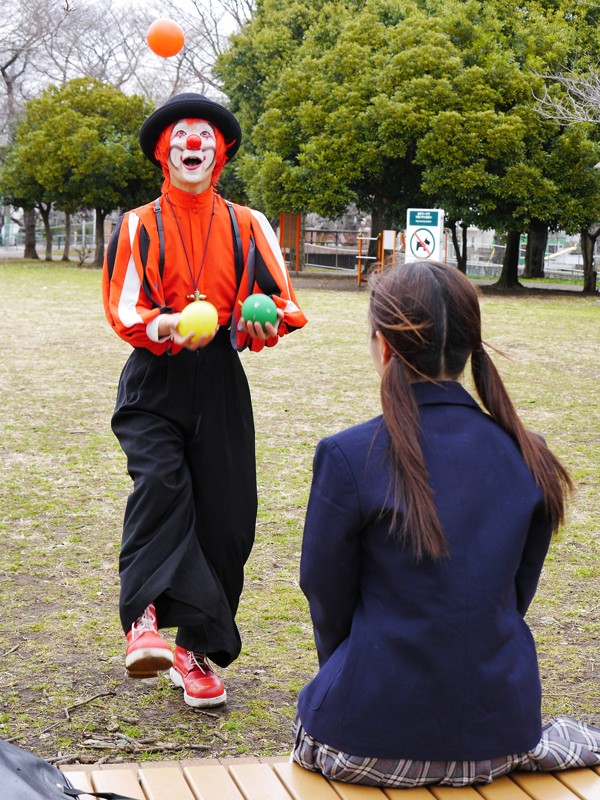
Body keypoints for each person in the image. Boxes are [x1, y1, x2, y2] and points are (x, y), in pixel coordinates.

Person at [292, 260, 599, 786]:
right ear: (468, 346)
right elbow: (511, 597)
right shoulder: (530, 456)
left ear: (383, 345)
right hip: (499, 740)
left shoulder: (348, 455)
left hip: (362, 744)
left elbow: (325, 596)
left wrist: (357, 671)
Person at [102, 93, 307, 709]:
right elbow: (124, 307)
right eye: (184, 135)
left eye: (207, 135)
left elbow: (280, 303)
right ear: (165, 151)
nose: (196, 143)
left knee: (227, 517)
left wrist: (256, 326)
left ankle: (195, 651)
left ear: (221, 152)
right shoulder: (138, 224)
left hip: (219, 375)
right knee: (161, 485)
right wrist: (167, 326)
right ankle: (142, 618)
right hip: (154, 379)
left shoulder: (250, 224)